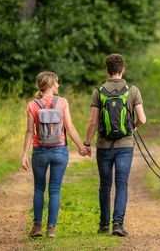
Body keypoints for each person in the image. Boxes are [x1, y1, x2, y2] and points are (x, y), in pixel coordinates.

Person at [83, 53, 146, 237]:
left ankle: (103, 225)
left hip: (103, 146)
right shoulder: (132, 90)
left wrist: (86, 143)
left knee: (104, 185)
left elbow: (93, 122)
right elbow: (142, 118)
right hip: (125, 146)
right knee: (121, 184)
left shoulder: (99, 91)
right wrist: (132, 128)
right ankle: (118, 224)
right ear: (122, 69)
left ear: (107, 70)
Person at [22, 71, 90, 238]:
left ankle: (37, 227)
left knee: (38, 189)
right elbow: (70, 127)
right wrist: (82, 147)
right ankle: (51, 229)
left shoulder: (32, 105)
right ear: (51, 85)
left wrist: (24, 154)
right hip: (60, 150)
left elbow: (30, 131)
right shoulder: (63, 102)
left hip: (40, 151)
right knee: (55, 190)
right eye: (57, 83)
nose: (58, 85)